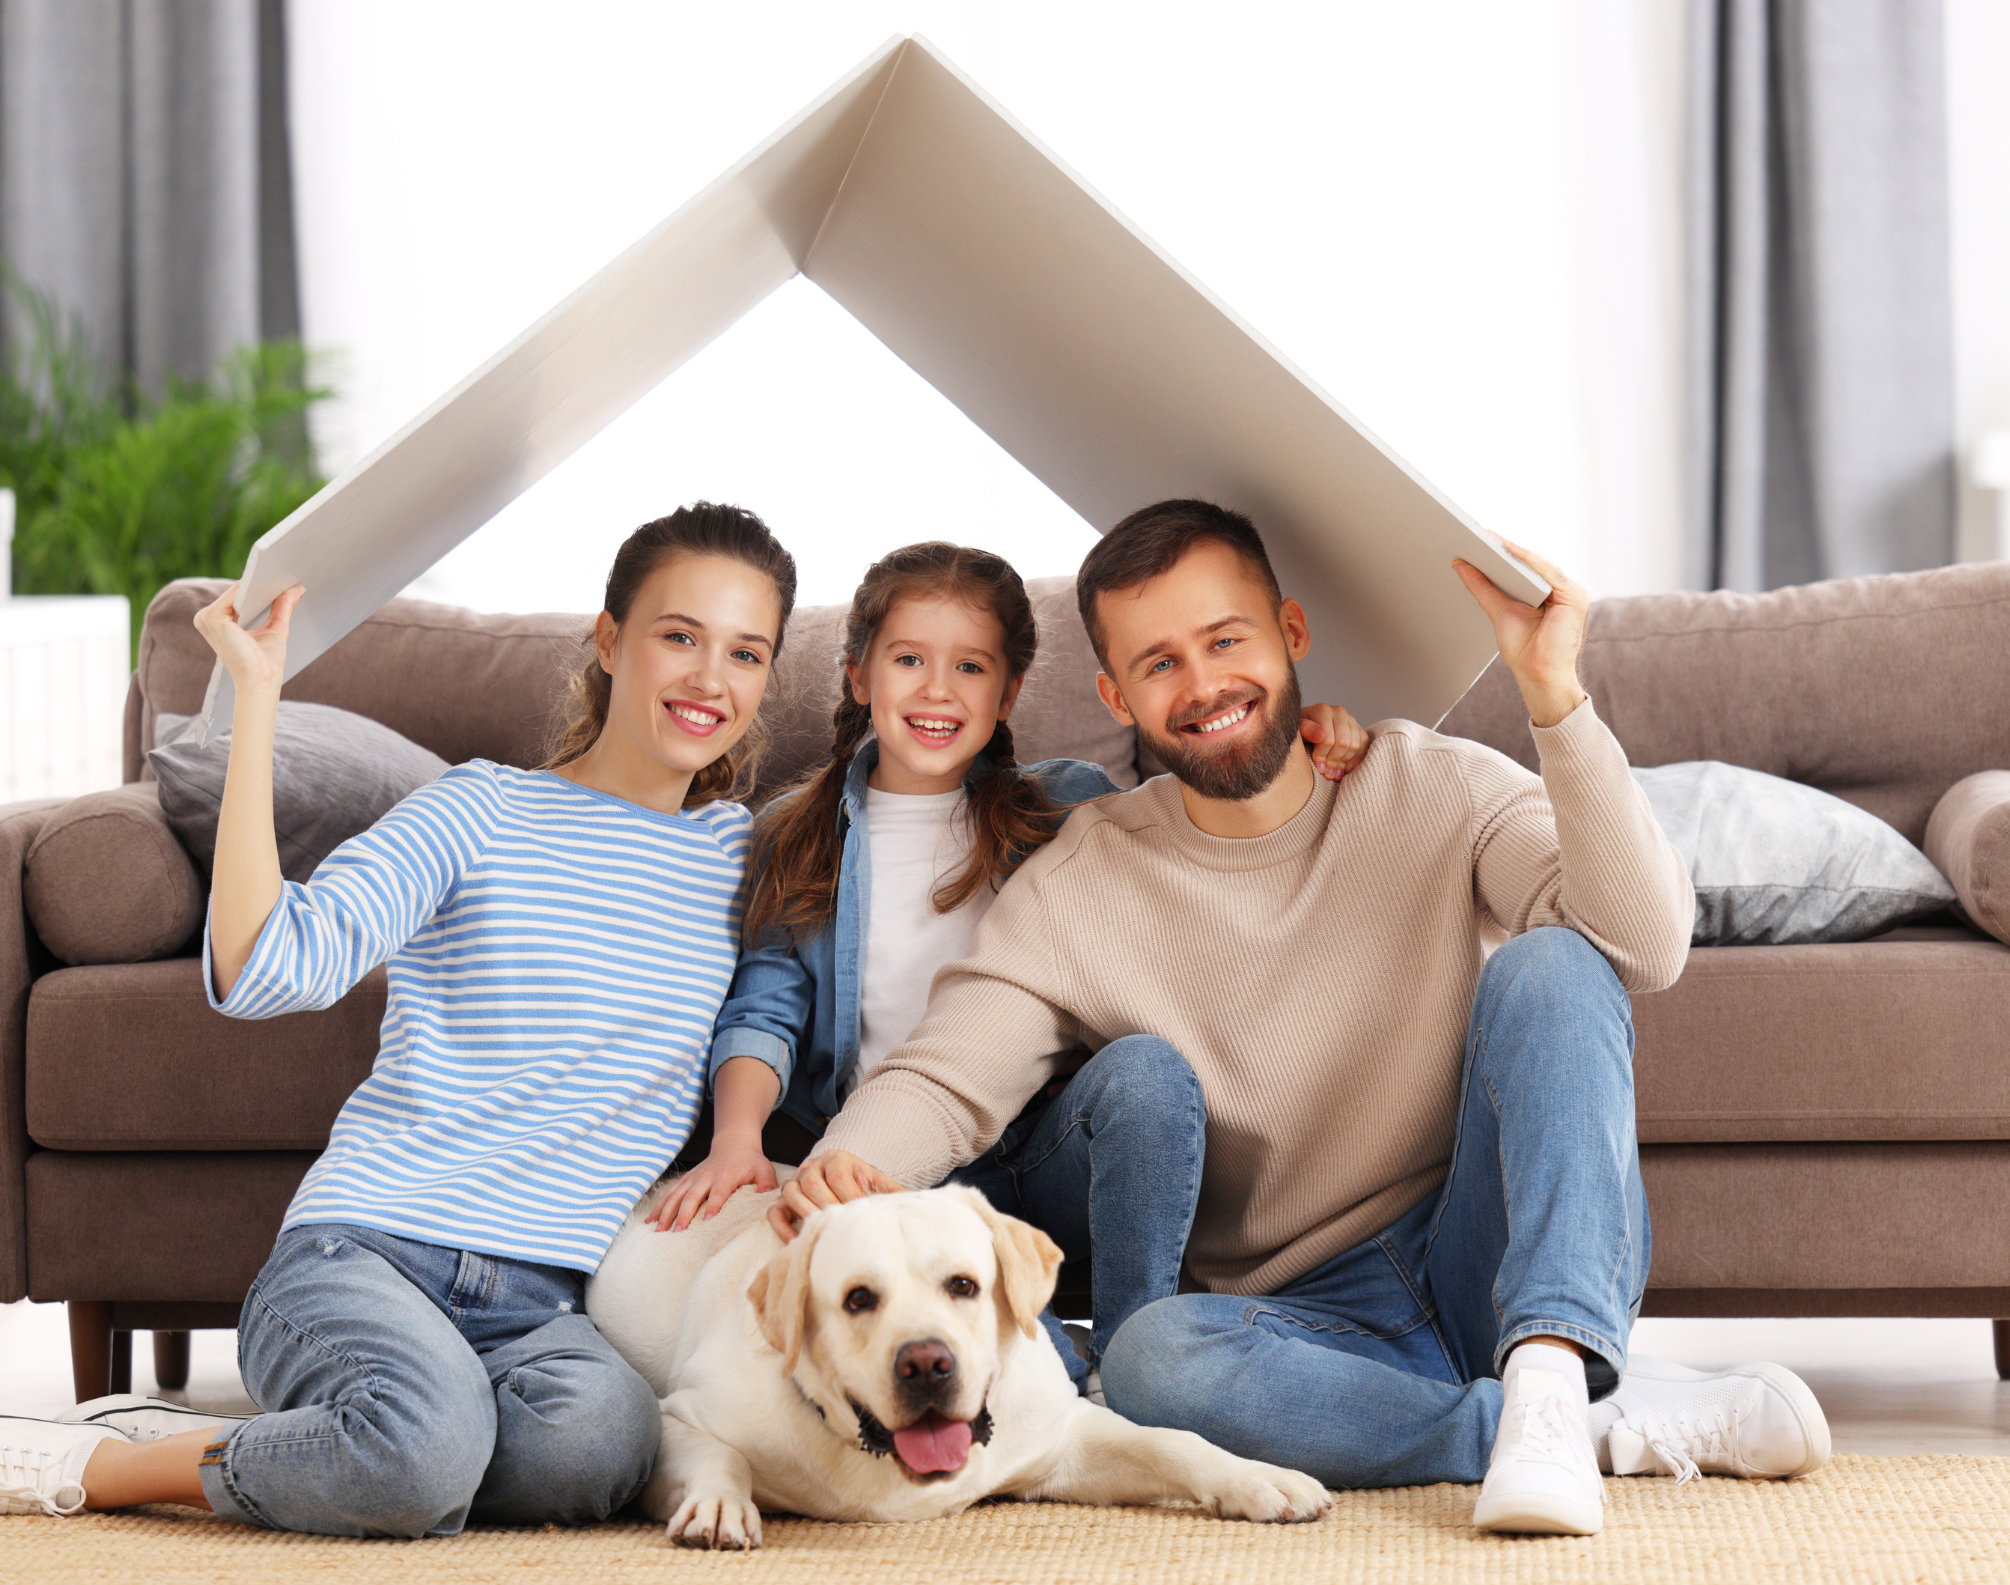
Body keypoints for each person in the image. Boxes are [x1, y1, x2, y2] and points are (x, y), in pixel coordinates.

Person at [774, 499, 1832, 1538]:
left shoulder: (1436, 785)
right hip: (1297, 1322)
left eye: (1224, 640)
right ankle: (1572, 1427)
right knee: (1147, 1360)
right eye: (1158, 664)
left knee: (1557, 963)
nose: (1201, 686)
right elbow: (950, 1072)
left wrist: (1553, 696)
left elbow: (1642, 945)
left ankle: (1551, 1372)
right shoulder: (1080, 876)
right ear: (1116, 693)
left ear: (1290, 635)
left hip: (1478, 1244)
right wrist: (838, 1171)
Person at [0, 502, 801, 1535]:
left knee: (599, 1452)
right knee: (422, 1458)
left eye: (745, 653)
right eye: (679, 636)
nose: (711, 679)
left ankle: (381, 1438)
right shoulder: (478, 810)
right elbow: (268, 968)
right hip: (366, 1253)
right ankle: (96, 1459)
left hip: (546, 1303)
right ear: (611, 640)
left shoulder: (741, 859)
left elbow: (777, 1002)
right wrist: (255, 704)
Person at [648, 541, 1371, 1395]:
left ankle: (1141, 1344)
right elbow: (763, 1009)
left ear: (1009, 692)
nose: (937, 690)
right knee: (1027, 1376)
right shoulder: (792, 830)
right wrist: (737, 1139)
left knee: (1143, 1070)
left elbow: (1210, 795)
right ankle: (1058, 1360)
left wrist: (1306, 730)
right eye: (909, 660)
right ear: (857, 676)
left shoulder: (1065, 804)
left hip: (1048, 1147)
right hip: (902, 1172)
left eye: (970, 666)